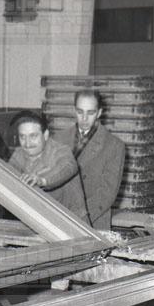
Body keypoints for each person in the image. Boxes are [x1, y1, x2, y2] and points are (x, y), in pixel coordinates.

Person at [53, 90, 125, 230]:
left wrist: (77, 217)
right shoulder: (58, 139)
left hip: (92, 222)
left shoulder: (114, 146)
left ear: (99, 113)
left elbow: (107, 194)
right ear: (74, 110)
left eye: (90, 113)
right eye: (80, 112)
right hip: (57, 219)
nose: (84, 119)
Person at [9, 111, 88, 222]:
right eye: (22, 137)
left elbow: (68, 166)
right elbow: (8, 176)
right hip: (38, 220)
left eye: (33, 136)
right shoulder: (18, 154)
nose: (27, 144)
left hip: (72, 222)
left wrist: (42, 181)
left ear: (45, 135)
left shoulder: (61, 151)